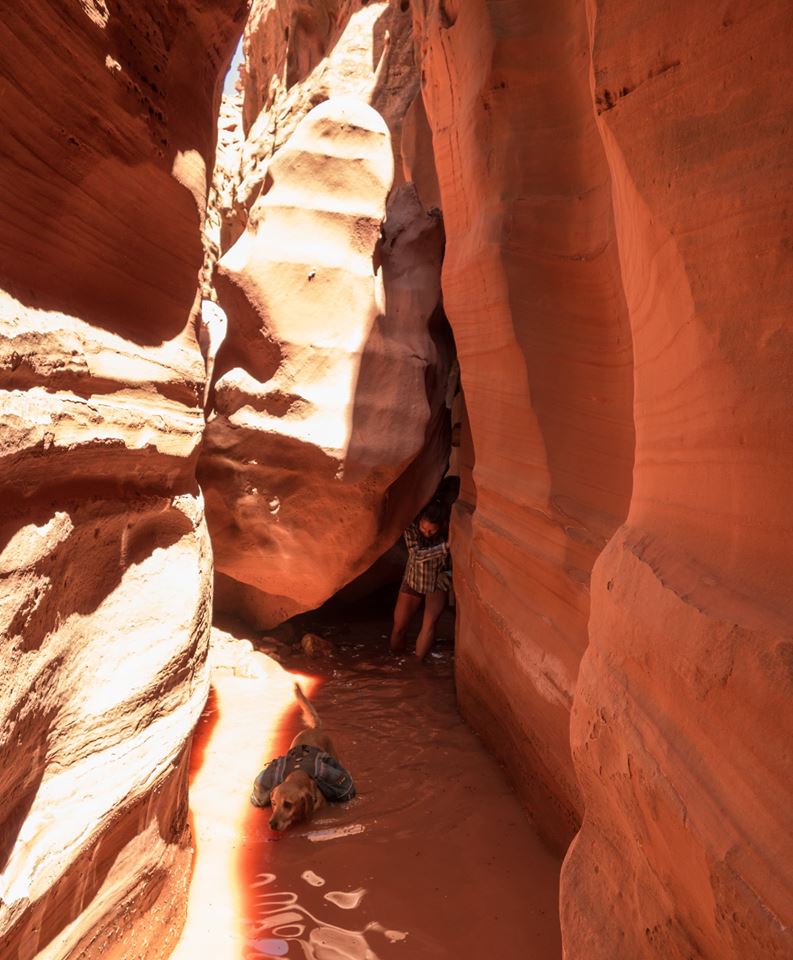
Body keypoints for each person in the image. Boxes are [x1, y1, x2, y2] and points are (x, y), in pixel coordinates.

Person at [389, 501, 450, 661]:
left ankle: (416, 666)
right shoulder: (410, 528)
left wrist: (448, 573)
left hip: (437, 582)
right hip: (414, 579)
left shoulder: (447, 531)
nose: (426, 533)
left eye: (432, 531)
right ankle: (396, 661)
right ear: (420, 519)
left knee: (429, 625)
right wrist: (445, 547)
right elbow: (416, 555)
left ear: (441, 526)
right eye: (424, 528)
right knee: (399, 628)